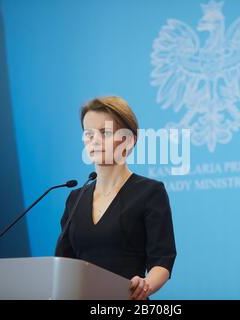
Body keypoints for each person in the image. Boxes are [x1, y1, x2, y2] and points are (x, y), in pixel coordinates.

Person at [55, 96, 177, 300]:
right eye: (88, 133)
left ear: (129, 139)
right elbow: (63, 262)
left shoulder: (150, 192)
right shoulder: (75, 198)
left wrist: (145, 285)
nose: (94, 140)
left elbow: (162, 260)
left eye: (105, 132)